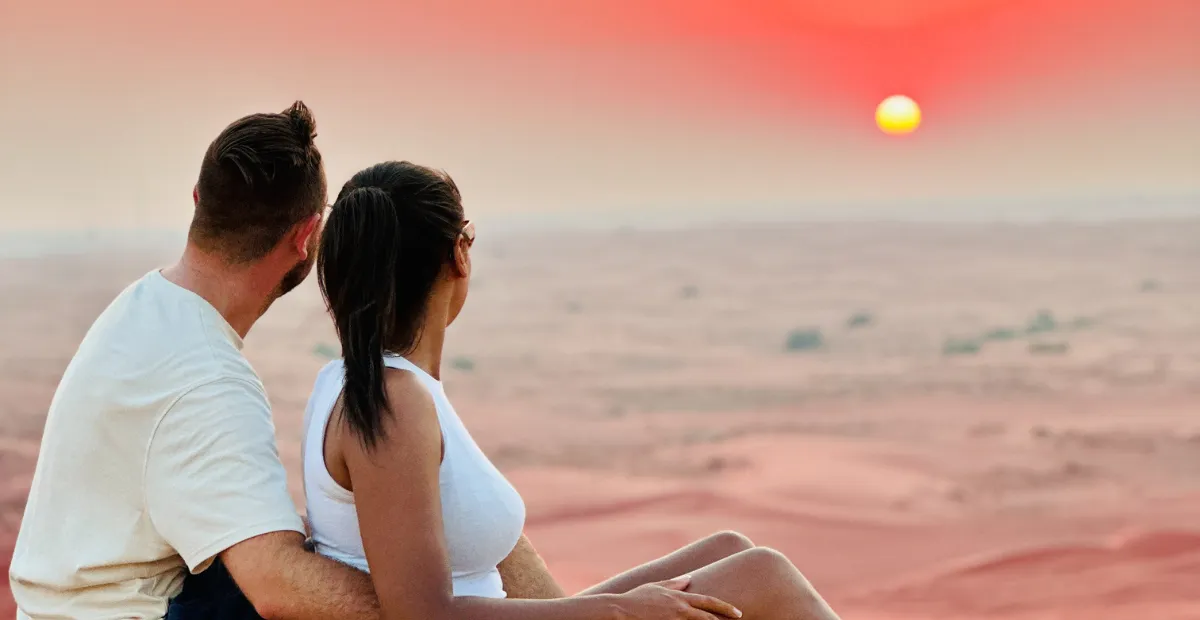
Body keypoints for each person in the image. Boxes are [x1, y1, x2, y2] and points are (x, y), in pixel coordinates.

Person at [306, 160, 843, 620]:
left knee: (731, 549)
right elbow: (421, 615)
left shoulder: (356, 381)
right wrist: (614, 612)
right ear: (459, 255)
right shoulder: (393, 402)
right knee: (764, 574)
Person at [8, 102, 383, 619]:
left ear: (198, 199)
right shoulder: (206, 376)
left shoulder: (144, 306)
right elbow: (278, 586)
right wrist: (430, 607)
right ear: (304, 237)